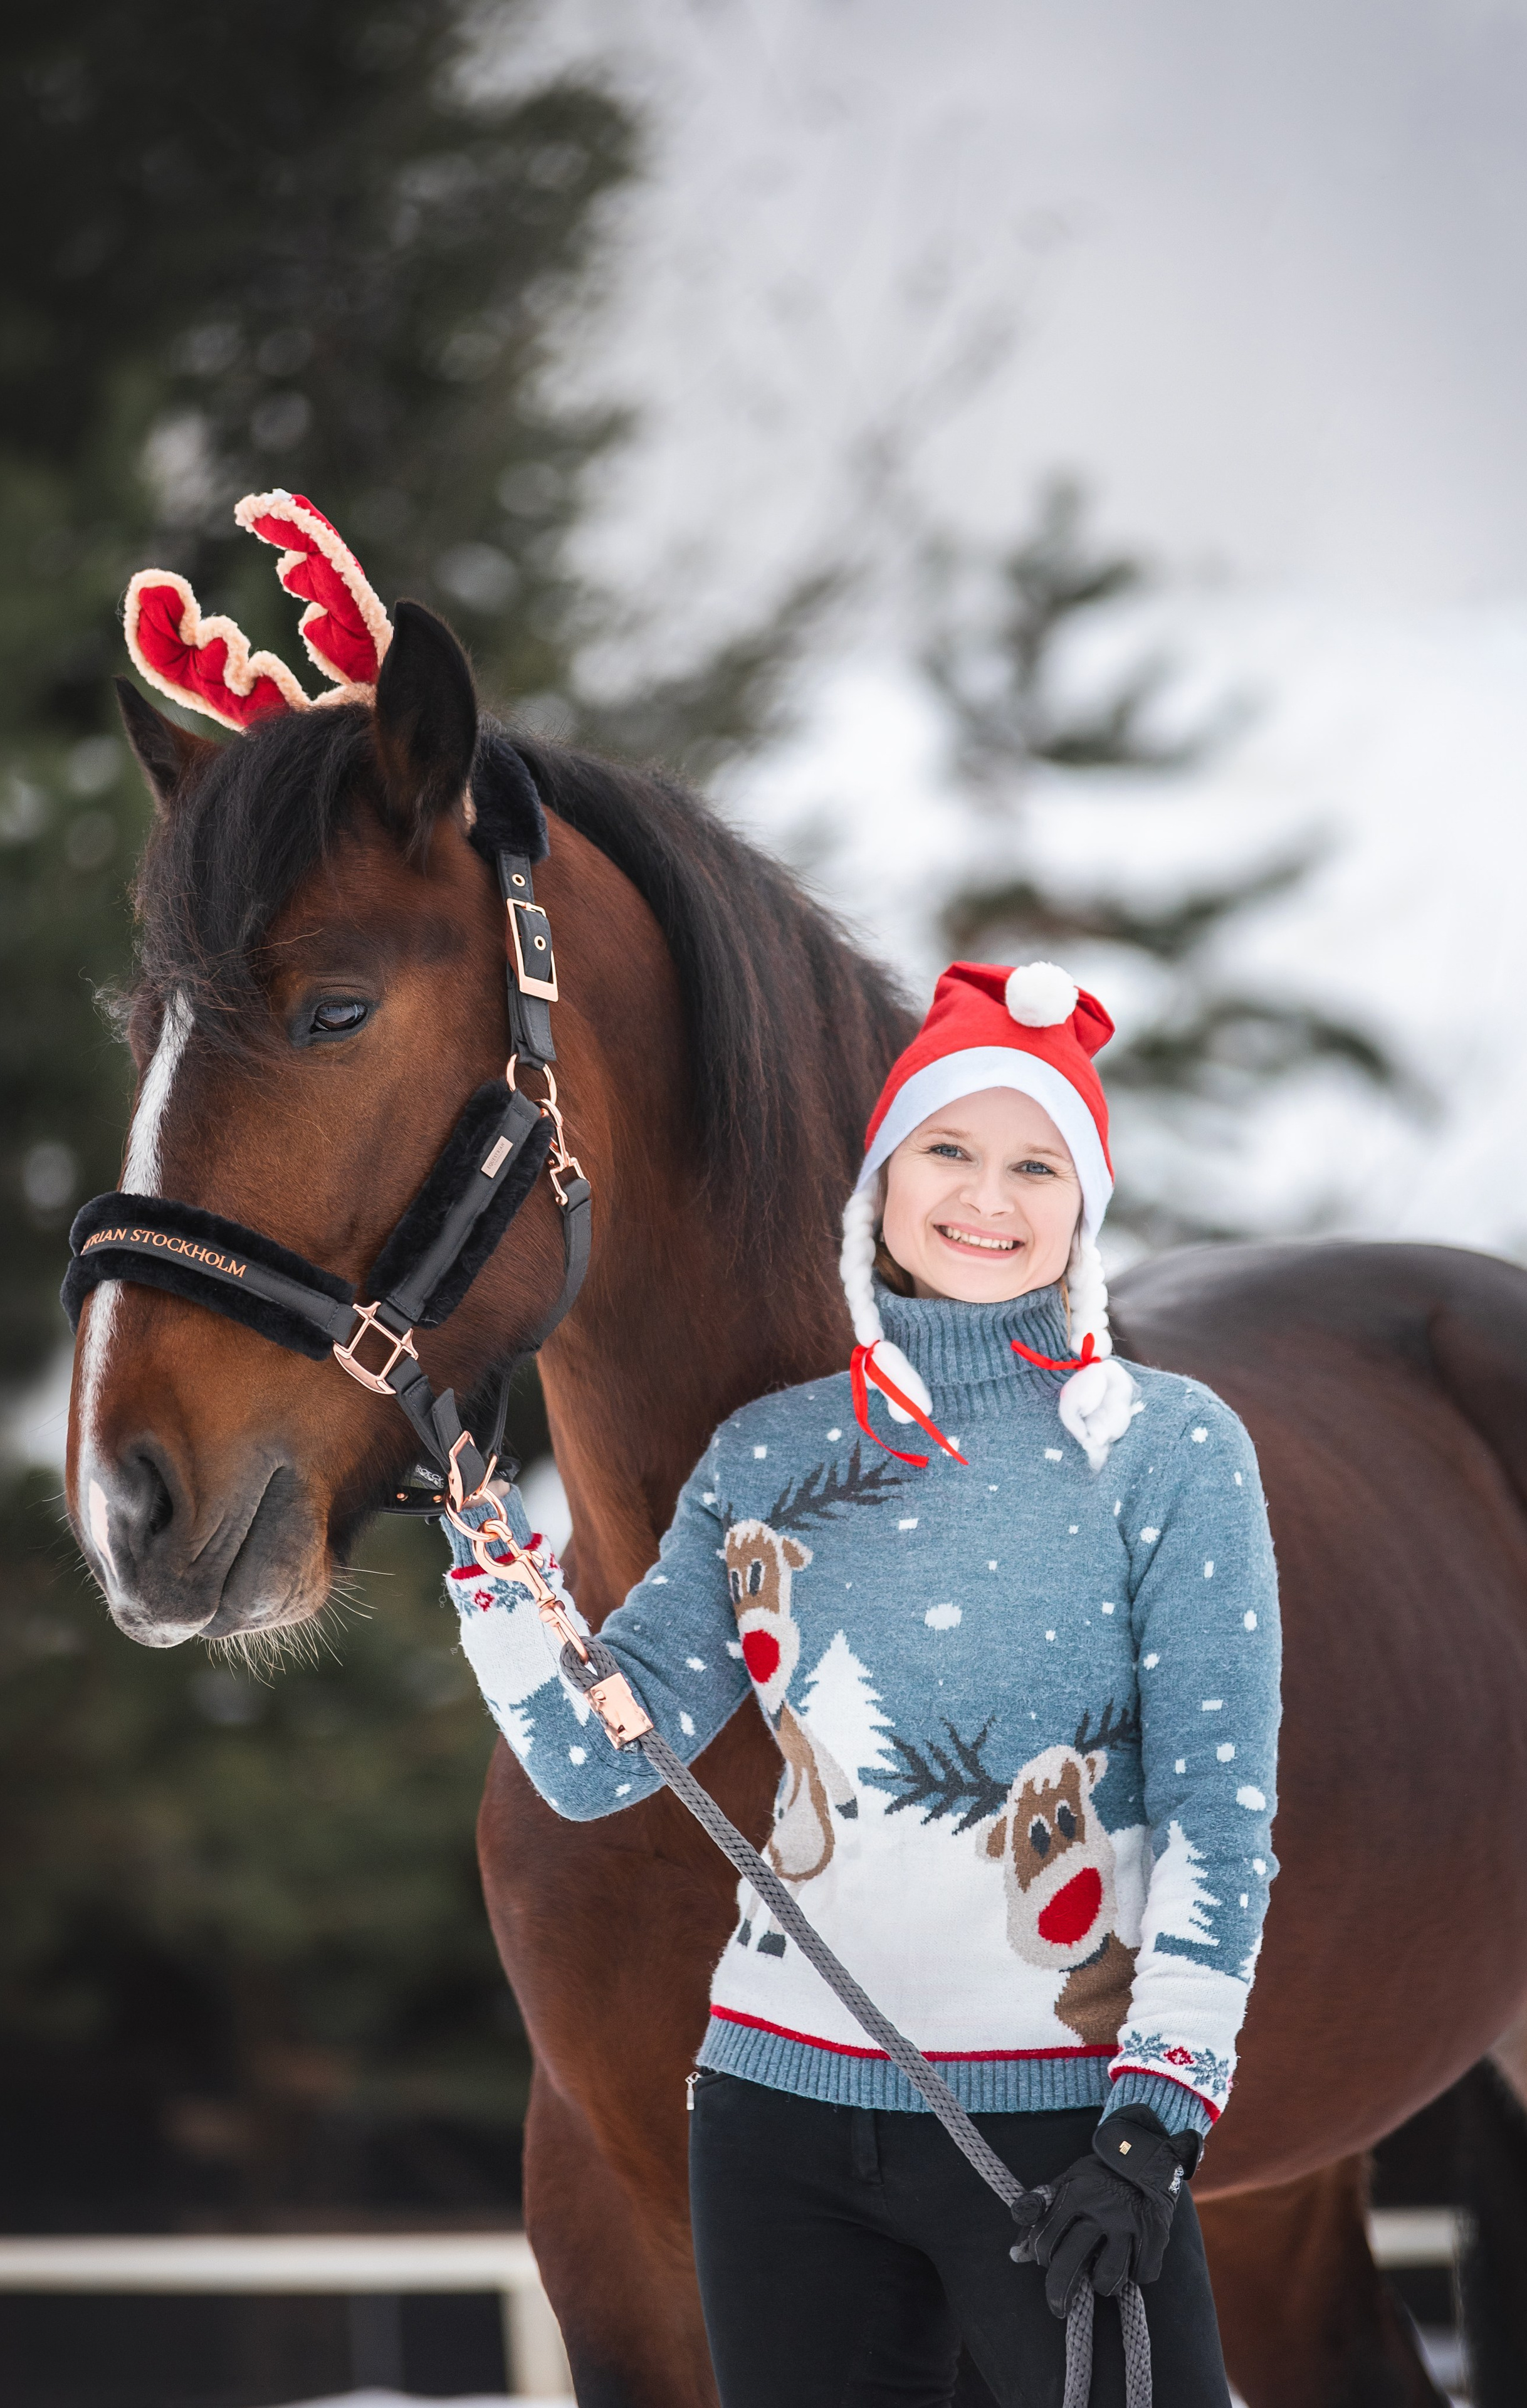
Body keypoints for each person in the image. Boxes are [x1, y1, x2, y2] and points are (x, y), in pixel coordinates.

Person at [446, 959, 1281, 2408]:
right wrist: (489, 1585)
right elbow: (596, 1763)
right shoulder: (769, 1455)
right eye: (947, 1148)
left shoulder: (1167, 1449)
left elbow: (1219, 1807)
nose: (985, 1194)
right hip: (776, 2123)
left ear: (1079, 1206)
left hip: (1063, 2130)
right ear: (882, 1181)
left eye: (1036, 1162)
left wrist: (1158, 2113)